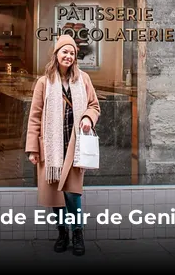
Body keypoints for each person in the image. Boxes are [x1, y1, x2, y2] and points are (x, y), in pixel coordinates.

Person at [25, 34, 100, 256]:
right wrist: (33, 148)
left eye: (72, 53)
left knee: (73, 194)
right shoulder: (43, 82)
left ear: (75, 57)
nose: (68, 56)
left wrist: (87, 117)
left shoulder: (83, 79)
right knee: (55, 196)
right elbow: (35, 116)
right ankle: (62, 233)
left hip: (74, 147)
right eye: (64, 52)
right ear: (56, 54)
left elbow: (94, 105)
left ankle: (77, 233)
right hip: (51, 148)